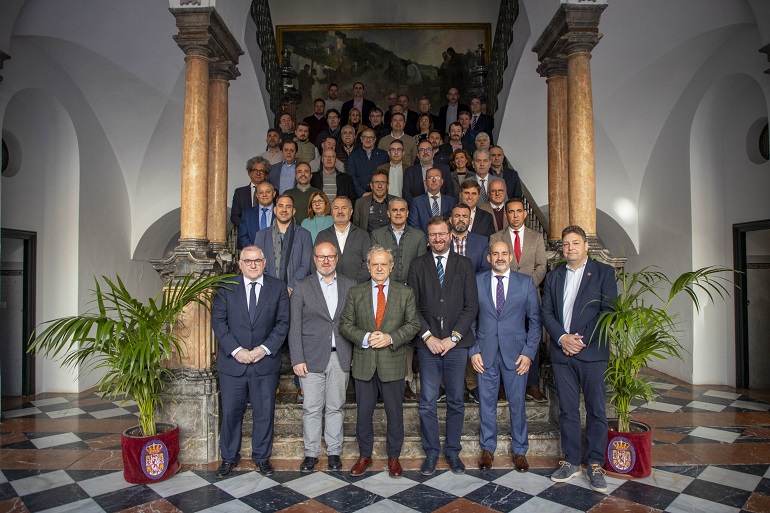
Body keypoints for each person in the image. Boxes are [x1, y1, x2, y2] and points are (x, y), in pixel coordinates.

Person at [542, 225, 618, 493]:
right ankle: (572, 461)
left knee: (597, 411)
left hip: (592, 353)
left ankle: (595, 463)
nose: (570, 248)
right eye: (565, 244)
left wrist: (579, 339)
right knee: (567, 410)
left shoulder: (603, 273)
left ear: (586, 246)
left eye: (575, 243)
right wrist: (563, 338)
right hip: (562, 355)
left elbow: (608, 311)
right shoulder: (554, 276)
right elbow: (546, 312)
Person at [339, 245, 420, 478]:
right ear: (368, 267)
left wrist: (390, 338)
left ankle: (394, 457)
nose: (379, 268)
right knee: (363, 414)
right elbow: (345, 324)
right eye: (375, 264)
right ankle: (365, 455)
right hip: (364, 363)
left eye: (384, 264)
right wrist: (365, 337)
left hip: (393, 363)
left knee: (395, 414)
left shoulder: (405, 293)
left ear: (392, 266)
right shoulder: (356, 292)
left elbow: (413, 325)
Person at [408, 216, 478, 476]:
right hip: (428, 346)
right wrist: (428, 336)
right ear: (428, 237)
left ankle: (452, 451)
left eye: (441, 234)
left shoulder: (465, 264)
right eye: (433, 235)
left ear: (450, 235)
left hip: (456, 346)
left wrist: (454, 338)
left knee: (456, 401)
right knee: (427, 402)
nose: (437, 239)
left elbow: (471, 306)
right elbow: (411, 306)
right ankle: (431, 452)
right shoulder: (417, 265)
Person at [212, 245, 289, 478]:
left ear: (265, 263)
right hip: (233, 365)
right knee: (231, 414)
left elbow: (283, 323)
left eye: (257, 261)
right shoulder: (226, 286)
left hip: (264, 364)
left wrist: (263, 350)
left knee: (264, 413)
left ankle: (262, 458)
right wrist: (237, 351)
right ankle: (228, 458)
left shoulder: (277, 287)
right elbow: (219, 322)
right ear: (240, 263)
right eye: (248, 261)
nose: (253, 265)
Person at [471, 241, 541, 473]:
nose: (500, 257)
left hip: (517, 356)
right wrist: (473, 351)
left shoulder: (525, 283)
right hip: (485, 353)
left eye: (504, 253)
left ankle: (520, 451)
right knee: (487, 404)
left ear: (510, 256)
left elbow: (535, 322)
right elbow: (469, 319)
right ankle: (488, 449)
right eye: (495, 254)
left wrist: (528, 354)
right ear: (489, 258)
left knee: (518, 404)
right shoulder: (477, 281)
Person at [289, 241, 356, 473]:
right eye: (320, 257)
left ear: (336, 258)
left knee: (336, 407)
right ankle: (311, 453)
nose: (325, 261)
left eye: (330, 257)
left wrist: (355, 354)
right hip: (310, 357)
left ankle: (334, 452)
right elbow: (294, 325)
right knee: (311, 407)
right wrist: (297, 358)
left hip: (341, 356)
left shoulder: (350, 285)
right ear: (314, 259)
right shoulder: (302, 285)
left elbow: (355, 322)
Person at [490, 197, 548, 402]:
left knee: (531, 337)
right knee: (502, 339)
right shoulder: (496, 236)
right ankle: (504, 385)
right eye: (511, 212)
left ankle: (531, 384)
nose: (515, 215)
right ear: (506, 215)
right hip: (502, 299)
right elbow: (495, 264)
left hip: (529, 294)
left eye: (518, 211)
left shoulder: (537, 237)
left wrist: (524, 286)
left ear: (525, 214)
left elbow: (542, 265)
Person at [371, 198, 427, 401]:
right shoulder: (377, 234)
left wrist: (407, 291)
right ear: (388, 213)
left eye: (402, 210)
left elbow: (421, 265)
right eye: (394, 210)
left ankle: (404, 381)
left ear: (407, 213)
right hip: (383, 291)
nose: (398, 213)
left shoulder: (419, 236)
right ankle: (381, 380)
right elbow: (376, 263)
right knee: (383, 332)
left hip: (410, 293)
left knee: (407, 337)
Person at [252, 194, 313, 295]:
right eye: (281, 206)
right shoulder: (261, 235)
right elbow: (258, 264)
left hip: (296, 292)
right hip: (268, 292)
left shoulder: (304, 234)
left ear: (293, 211)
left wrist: (290, 288)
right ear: (275, 210)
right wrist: (272, 286)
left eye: (288, 207)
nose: (284, 210)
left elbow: (305, 266)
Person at [315, 196, 371, 283]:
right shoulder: (322, 236)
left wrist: (355, 283)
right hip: (328, 288)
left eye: (344, 208)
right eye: (336, 208)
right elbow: (315, 262)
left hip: (358, 289)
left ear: (351, 211)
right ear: (331, 212)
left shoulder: (362, 235)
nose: (340, 211)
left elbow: (368, 262)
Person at [407, 167, 458, 235]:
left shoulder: (452, 202)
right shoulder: (416, 202)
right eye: (430, 177)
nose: (434, 180)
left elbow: (454, 224)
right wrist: (428, 241)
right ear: (425, 182)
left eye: (437, 177)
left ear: (442, 181)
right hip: (424, 243)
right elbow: (414, 225)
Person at [402, 140, 454, 205]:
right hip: (418, 210)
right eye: (422, 150)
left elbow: (449, 190)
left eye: (428, 149)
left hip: (442, 210)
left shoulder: (445, 169)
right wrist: (418, 207)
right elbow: (406, 194)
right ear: (418, 154)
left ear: (433, 152)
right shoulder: (409, 172)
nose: (425, 152)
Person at [449, 203, 490, 274]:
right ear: (451, 220)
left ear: (470, 220)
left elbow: (485, 271)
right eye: (457, 216)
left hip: (474, 284)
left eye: (465, 216)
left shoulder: (482, 242)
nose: (461, 219)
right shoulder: (442, 240)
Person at [348, 128, 390, 197]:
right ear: (361, 139)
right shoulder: (353, 156)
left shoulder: (383, 155)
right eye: (365, 137)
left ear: (375, 139)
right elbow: (351, 176)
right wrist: (362, 193)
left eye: (370, 137)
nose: (368, 140)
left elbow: (386, 175)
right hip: (359, 196)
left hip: (380, 195)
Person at [231, 156, 271, 228]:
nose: (258, 174)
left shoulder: (274, 192)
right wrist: (247, 229)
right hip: (245, 234)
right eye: (255, 170)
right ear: (249, 173)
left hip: (267, 233)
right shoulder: (239, 193)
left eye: (261, 171)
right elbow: (235, 216)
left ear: (266, 175)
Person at [238, 182, 276, 249]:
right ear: (257, 195)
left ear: (274, 194)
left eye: (268, 192)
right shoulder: (247, 214)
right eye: (261, 192)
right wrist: (253, 250)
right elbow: (242, 236)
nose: (264, 195)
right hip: (253, 256)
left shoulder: (281, 213)